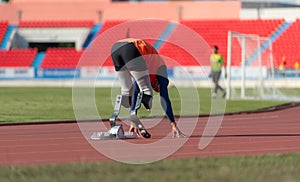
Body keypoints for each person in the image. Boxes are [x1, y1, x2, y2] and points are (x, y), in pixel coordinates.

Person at [111, 38, 185, 138]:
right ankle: (142, 106)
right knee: (147, 93)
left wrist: (133, 119)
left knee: (127, 91)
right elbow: (165, 99)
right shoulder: (161, 71)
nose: (155, 86)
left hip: (116, 49)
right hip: (132, 48)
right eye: (156, 86)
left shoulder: (148, 73)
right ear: (157, 82)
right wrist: (173, 123)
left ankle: (113, 120)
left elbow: (135, 92)